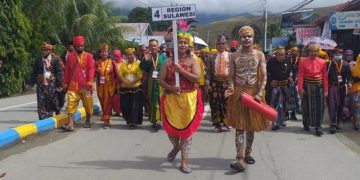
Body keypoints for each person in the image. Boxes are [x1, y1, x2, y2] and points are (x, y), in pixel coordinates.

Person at [159, 22, 203, 173]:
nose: (183, 45)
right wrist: (171, 87)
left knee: (187, 132)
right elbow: (161, 80)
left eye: (185, 42)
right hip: (172, 99)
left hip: (189, 100)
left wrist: (181, 71)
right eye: (180, 42)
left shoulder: (193, 61)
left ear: (189, 45)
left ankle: (184, 161)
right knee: (171, 132)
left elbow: (197, 79)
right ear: (175, 45)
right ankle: (176, 147)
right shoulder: (167, 62)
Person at [225, 26, 270, 172]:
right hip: (239, 94)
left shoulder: (259, 55)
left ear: (253, 38)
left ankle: (248, 153)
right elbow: (231, 76)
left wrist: (260, 93)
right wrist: (231, 88)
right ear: (239, 39)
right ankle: (239, 158)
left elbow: (264, 76)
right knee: (240, 126)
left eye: (249, 36)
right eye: (244, 36)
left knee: (251, 125)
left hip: (255, 93)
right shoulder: (234, 56)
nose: (246, 39)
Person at [62, 36, 95, 131]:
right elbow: (67, 71)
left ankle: (88, 121)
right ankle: (71, 124)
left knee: (88, 105)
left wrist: (90, 82)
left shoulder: (89, 56)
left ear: (83, 46)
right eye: (78, 46)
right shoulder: (70, 56)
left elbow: (91, 70)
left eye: (81, 46)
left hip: (86, 86)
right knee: (70, 105)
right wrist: (65, 83)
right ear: (74, 46)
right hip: (73, 85)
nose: (80, 48)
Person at [297, 44, 328, 136]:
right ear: (308, 52)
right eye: (311, 51)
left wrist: (326, 90)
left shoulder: (323, 62)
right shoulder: (302, 61)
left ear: (318, 52)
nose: (314, 53)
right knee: (306, 106)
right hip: (307, 86)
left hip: (319, 87)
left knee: (319, 107)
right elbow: (300, 75)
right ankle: (306, 122)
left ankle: (318, 127)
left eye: (316, 51)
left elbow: (325, 76)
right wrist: (300, 88)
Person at [29, 42, 63, 120]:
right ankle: (42, 119)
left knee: (52, 100)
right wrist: (30, 84)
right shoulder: (38, 60)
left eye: (46, 50)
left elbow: (58, 72)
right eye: (43, 50)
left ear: (50, 51)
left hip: (52, 84)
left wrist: (60, 84)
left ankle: (57, 113)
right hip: (41, 84)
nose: (44, 51)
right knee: (41, 101)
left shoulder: (55, 59)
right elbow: (34, 72)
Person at [206, 33, 232, 133]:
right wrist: (208, 83)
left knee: (227, 104)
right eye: (219, 44)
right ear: (216, 45)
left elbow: (234, 71)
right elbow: (208, 72)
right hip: (214, 84)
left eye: (223, 43)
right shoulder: (211, 57)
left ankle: (227, 122)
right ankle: (217, 124)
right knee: (215, 105)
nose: (221, 45)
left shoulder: (231, 56)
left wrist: (232, 83)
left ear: (226, 44)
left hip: (227, 83)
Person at [140, 39, 167, 131]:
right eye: (151, 46)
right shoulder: (147, 57)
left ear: (158, 47)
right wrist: (145, 60)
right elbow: (142, 68)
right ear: (149, 47)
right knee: (152, 100)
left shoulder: (163, 57)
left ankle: (162, 119)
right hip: (151, 81)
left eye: (155, 45)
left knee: (161, 100)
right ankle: (155, 120)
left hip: (161, 81)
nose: (153, 47)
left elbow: (168, 68)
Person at [327, 47, 352, 134]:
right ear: (333, 54)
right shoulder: (329, 64)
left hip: (341, 87)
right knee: (332, 106)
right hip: (332, 87)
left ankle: (338, 122)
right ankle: (332, 124)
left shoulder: (345, 64)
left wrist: (349, 83)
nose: (338, 54)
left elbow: (349, 77)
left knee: (340, 105)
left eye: (340, 53)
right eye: (336, 53)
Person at [267, 48, 292, 130]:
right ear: (276, 55)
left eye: (283, 55)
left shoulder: (288, 61)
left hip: (285, 86)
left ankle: (282, 120)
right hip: (275, 87)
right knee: (276, 105)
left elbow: (290, 72)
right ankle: (275, 123)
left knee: (284, 104)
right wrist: (271, 81)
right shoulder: (271, 62)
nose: (281, 57)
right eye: (279, 55)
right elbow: (266, 74)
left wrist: (290, 78)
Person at [118, 48, 144, 128]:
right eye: (127, 55)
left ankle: (133, 122)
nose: (129, 56)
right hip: (125, 87)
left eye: (131, 54)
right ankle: (128, 120)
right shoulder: (123, 64)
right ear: (125, 56)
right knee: (124, 105)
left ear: (134, 55)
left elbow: (140, 75)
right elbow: (120, 75)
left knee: (134, 106)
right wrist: (126, 82)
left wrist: (131, 82)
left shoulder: (138, 64)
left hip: (136, 87)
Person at [95, 43, 117, 129]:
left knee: (108, 103)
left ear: (108, 53)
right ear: (100, 53)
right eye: (102, 52)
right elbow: (93, 74)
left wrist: (117, 86)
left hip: (110, 87)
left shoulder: (112, 62)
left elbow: (117, 74)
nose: (104, 53)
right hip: (100, 86)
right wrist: (97, 70)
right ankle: (105, 116)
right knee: (102, 102)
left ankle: (107, 120)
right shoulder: (97, 63)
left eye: (106, 52)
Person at [287, 47, 301, 119]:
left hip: (297, 81)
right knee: (288, 96)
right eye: (293, 51)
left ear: (298, 52)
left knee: (296, 97)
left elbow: (301, 70)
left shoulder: (300, 60)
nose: (294, 52)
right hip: (288, 80)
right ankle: (286, 113)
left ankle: (293, 113)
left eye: (296, 51)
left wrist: (298, 78)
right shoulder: (287, 59)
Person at [349, 53, 360, 131]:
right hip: (356, 90)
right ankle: (356, 124)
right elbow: (354, 77)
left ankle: (356, 123)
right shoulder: (355, 68)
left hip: (356, 90)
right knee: (357, 108)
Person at [112, 49, 123, 116]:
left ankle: (121, 110)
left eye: (117, 56)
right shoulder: (111, 62)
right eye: (114, 56)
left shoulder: (124, 62)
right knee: (115, 97)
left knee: (121, 97)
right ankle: (116, 110)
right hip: (113, 83)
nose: (115, 57)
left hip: (122, 83)